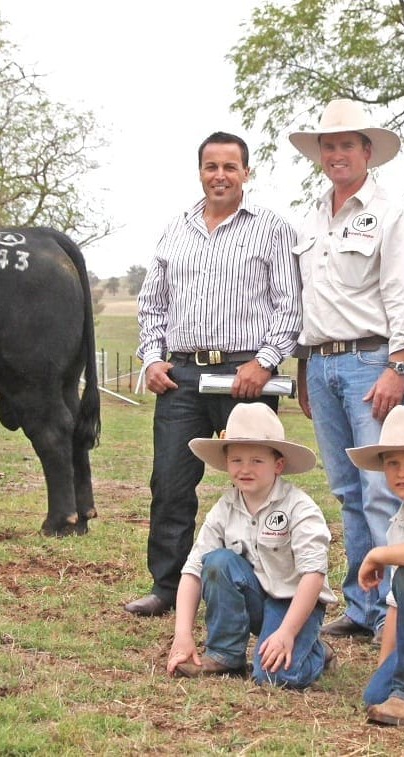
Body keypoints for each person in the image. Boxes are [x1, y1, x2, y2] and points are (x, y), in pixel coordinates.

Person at [126, 131, 301, 617]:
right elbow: (153, 306)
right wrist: (152, 357)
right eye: (211, 167)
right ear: (199, 172)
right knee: (171, 482)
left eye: (230, 167)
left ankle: (260, 587)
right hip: (181, 375)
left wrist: (265, 361)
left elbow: (289, 305)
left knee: (255, 482)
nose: (219, 175)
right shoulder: (175, 230)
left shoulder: (271, 228)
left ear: (247, 172)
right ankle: (167, 587)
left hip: (245, 373)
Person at [289, 99, 404, 642]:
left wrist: (398, 365)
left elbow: (399, 292)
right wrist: (304, 363)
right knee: (345, 490)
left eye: (346, 145)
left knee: (381, 488)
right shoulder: (310, 215)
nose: (336, 153)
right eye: (328, 145)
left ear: (367, 152)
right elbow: (308, 297)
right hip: (322, 362)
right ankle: (362, 606)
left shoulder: (390, 210)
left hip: (370, 361)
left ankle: (391, 610)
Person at [166, 402, 337, 688]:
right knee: (217, 562)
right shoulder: (225, 507)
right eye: (236, 460)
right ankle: (225, 654)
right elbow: (193, 571)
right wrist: (182, 634)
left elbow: (314, 576)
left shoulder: (301, 508)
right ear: (226, 463)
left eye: (257, 461)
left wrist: (286, 633)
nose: (245, 469)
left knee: (274, 677)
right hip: (255, 595)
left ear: (278, 465)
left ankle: (317, 652)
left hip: (295, 603)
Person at [347, 405, 404, 725]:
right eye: (392, 463)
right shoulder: (398, 522)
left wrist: (376, 555)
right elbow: (397, 604)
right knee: (375, 695)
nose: (400, 472)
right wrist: (387, 671)